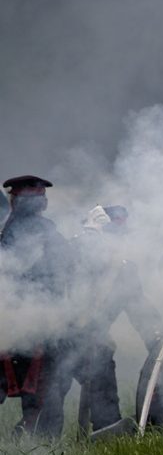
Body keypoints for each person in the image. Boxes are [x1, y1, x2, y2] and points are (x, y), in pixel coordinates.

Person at [68, 205, 163, 433]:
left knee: (100, 355)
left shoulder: (124, 270)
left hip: (89, 342)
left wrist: (158, 341)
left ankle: (107, 429)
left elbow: (140, 310)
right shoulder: (74, 252)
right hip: (54, 336)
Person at [0, 175, 75, 436]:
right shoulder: (42, 231)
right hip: (38, 325)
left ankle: (33, 432)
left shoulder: (8, 229)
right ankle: (41, 438)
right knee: (49, 387)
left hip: (18, 323)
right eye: (36, 196)